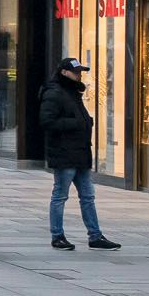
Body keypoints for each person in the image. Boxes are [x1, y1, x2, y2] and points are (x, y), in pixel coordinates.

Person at [42, 56, 119, 251]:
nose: (79, 75)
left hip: (80, 152)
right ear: (64, 72)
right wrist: (77, 124)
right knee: (60, 195)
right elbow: (46, 122)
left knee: (88, 196)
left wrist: (85, 122)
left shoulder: (72, 92)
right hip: (64, 152)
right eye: (75, 72)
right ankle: (57, 235)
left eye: (80, 72)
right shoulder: (54, 93)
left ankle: (95, 236)